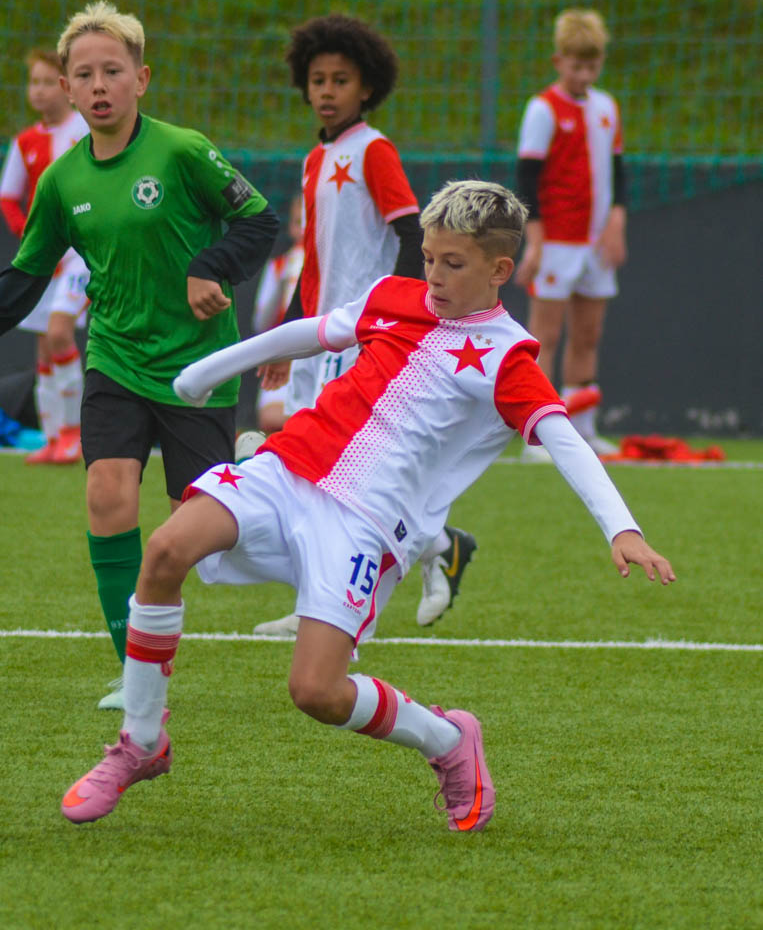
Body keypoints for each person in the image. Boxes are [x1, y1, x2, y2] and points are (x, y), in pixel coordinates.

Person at [60, 179, 674, 830]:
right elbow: (313, 332)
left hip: (365, 524)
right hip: (287, 467)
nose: (433, 275)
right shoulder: (394, 297)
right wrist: (208, 372)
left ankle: (447, 739)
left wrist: (622, 528)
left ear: (500, 270)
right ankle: (142, 741)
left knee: (316, 691)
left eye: (453, 264)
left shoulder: (506, 357)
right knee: (164, 550)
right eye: (429, 257)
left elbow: (565, 441)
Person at [0, 1, 279, 710]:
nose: (99, 84)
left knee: (199, 534)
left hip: (196, 367)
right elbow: (25, 276)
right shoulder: (61, 181)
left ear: (142, 78)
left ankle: (256, 469)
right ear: (68, 90)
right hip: (114, 357)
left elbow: (257, 220)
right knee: (107, 494)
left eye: (113, 70)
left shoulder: (182, 151)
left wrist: (209, 266)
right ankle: (136, 675)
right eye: (84, 74)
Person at [252, 14, 475, 636]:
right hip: (321, 338)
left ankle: (350, 610)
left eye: (341, 80)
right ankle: (432, 551)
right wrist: (286, 336)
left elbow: (412, 232)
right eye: (318, 79)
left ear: (367, 88)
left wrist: (394, 316)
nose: (327, 90)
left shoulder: (374, 150)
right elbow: (314, 261)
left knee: (353, 478)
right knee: (313, 475)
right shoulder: (313, 159)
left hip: (362, 337)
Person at [515, 9, 626, 458]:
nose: (584, 75)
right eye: (577, 65)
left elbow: (618, 170)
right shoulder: (542, 109)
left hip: (596, 244)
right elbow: (527, 178)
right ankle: (538, 435)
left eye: (592, 66)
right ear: (558, 61)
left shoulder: (606, 107)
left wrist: (616, 220)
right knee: (545, 337)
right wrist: (536, 242)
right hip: (557, 242)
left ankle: (583, 428)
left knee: (588, 335)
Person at [0, 48, 90, 464]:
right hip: (42, 259)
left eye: (48, 82)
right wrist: (29, 237)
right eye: (34, 82)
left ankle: (75, 433)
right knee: (43, 349)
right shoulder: (25, 141)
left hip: (78, 254)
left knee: (59, 334)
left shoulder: (85, 131)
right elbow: (7, 196)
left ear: (67, 87)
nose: (39, 90)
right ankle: (52, 438)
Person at [249, 195, 302, 435]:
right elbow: (260, 322)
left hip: (319, 354)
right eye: (298, 222)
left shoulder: (333, 269)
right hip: (284, 351)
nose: (304, 229)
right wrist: (282, 281)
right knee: (270, 419)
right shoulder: (278, 266)